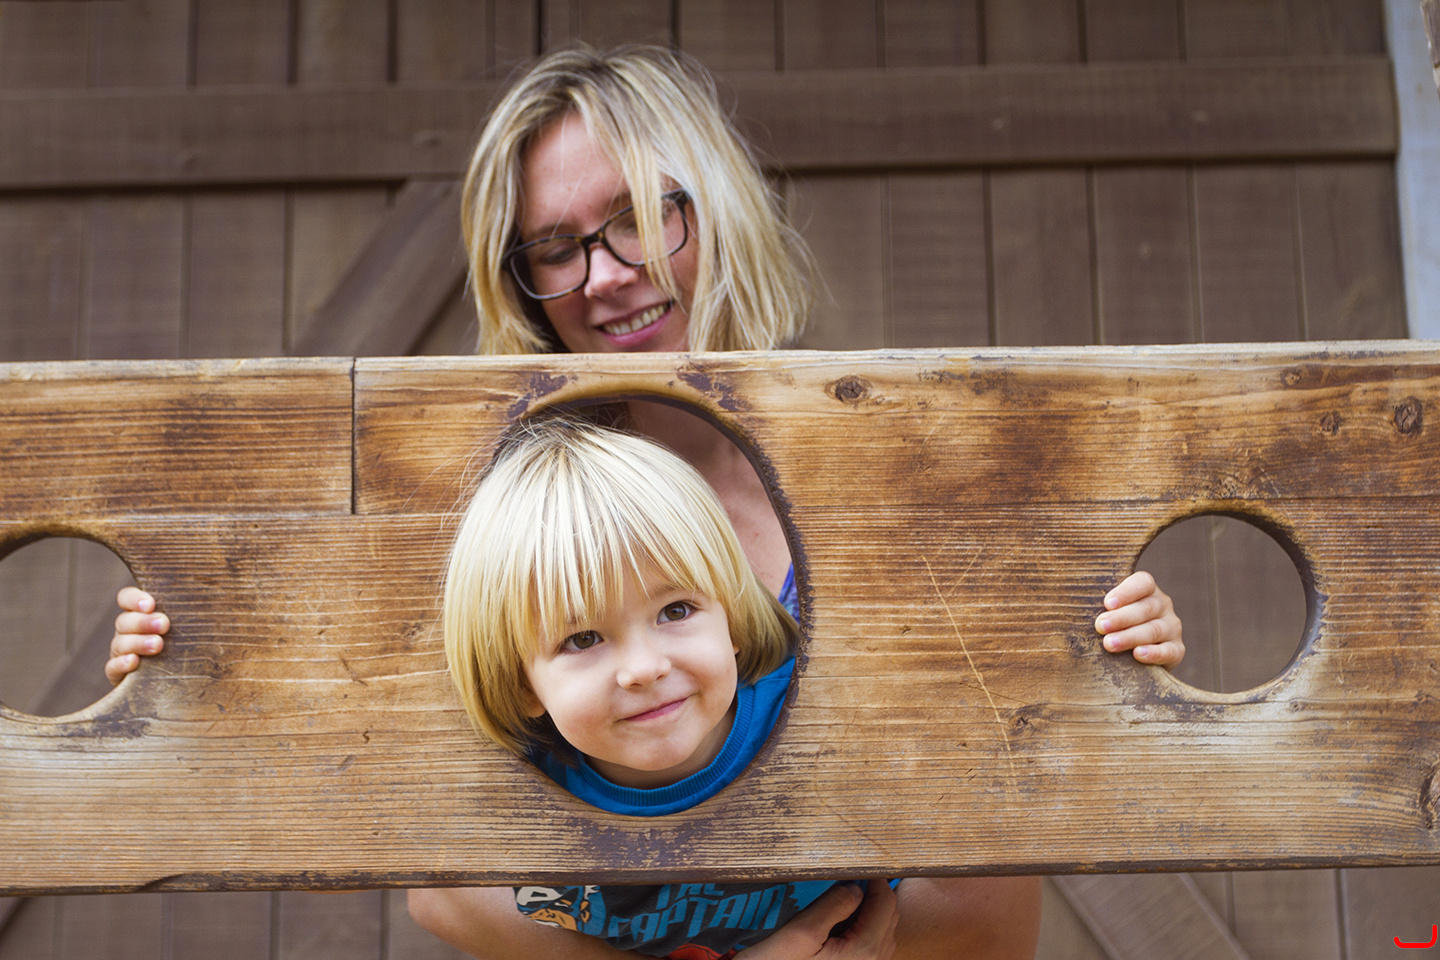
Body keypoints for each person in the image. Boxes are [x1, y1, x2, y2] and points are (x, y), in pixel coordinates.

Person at [109, 43, 1184, 960]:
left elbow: (997, 896)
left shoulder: (899, 483)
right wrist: (190, 661)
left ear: (713, 205)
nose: (605, 276)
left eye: (638, 219)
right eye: (555, 248)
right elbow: (441, 882)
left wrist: (1118, 650)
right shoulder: (509, 522)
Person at [444, 415, 897, 958]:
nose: (644, 668)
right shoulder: (515, 803)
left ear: (731, 619)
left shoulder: (823, 723)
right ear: (522, 686)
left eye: (675, 610)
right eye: (583, 638)